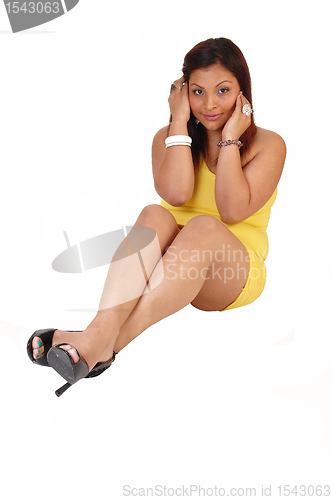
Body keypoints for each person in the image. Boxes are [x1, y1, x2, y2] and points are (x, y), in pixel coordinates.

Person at [27, 37, 286, 396]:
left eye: (223, 90)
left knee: (204, 226)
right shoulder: (167, 137)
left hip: (232, 270)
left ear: (244, 93)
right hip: (173, 266)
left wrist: (230, 139)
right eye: (197, 92)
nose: (209, 104)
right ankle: (99, 341)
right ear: (182, 92)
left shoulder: (268, 145)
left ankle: (100, 340)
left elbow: (231, 210)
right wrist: (179, 123)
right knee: (155, 213)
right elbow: (176, 195)